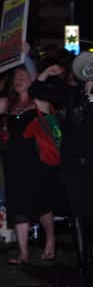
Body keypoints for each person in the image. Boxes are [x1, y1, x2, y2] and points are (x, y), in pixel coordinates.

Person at [30, 42, 93, 272]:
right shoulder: (70, 96)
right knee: (77, 211)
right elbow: (36, 92)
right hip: (72, 164)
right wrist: (46, 72)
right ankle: (83, 257)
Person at [0, 66, 58, 265]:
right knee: (18, 206)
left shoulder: (38, 103)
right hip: (13, 161)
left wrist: (37, 74)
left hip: (36, 160)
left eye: (23, 76)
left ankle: (50, 239)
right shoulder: (8, 103)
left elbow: (52, 120)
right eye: (15, 77)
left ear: (31, 79)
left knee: (41, 203)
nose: (18, 80)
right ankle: (23, 253)